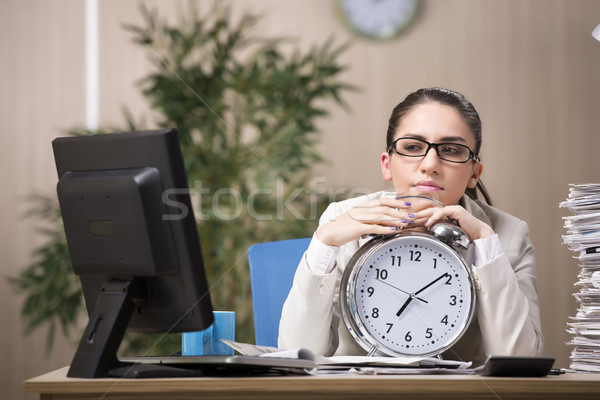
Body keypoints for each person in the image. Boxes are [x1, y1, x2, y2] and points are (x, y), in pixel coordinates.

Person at [278, 87, 543, 365]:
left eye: (451, 150)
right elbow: (299, 355)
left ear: (474, 174)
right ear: (387, 165)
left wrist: (486, 246)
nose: (430, 164)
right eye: (413, 147)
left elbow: (518, 362)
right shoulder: (343, 219)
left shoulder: (508, 235)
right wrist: (325, 242)